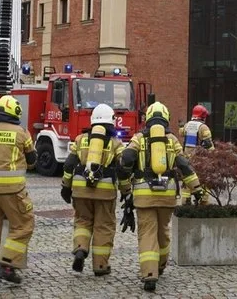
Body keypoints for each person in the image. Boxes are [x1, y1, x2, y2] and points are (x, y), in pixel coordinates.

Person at [119, 101, 204, 292]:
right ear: (166, 118)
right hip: (167, 194)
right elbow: (184, 166)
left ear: (147, 118)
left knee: (147, 233)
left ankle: (150, 274)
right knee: (163, 231)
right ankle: (161, 264)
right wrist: (196, 188)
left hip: (143, 194)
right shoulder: (172, 140)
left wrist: (124, 189)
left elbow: (126, 161)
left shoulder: (139, 138)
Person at [60, 103, 131, 276]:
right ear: (111, 121)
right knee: (103, 226)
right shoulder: (116, 143)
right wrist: (126, 191)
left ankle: (80, 248)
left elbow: (69, 164)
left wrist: (66, 187)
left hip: (80, 190)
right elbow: (122, 169)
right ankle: (100, 266)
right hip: (105, 192)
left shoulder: (81, 139)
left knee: (83, 221)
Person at [0, 95, 37, 290]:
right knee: (23, 225)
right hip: (12, 191)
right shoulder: (21, 132)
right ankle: (8, 263)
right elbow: (32, 159)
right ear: (15, 113)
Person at [179, 105, 215, 205]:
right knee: (203, 183)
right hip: (200, 161)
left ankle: (185, 204)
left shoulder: (187, 125)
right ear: (203, 116)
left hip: (187, 161)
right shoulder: (203, 127)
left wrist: (181, 126)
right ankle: (203, 204)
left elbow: (181, 133)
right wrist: (213, 157)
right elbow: (208, 144)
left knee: (187, 183)